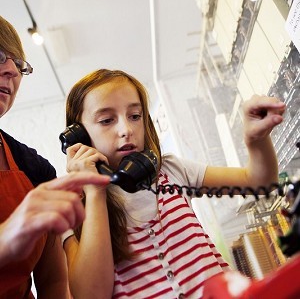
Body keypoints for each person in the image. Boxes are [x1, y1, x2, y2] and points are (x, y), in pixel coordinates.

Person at [63, 69, 286, 298]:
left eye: (135, 116)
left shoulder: (171, 171)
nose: (126, 130)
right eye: (107, 120)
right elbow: (91, 294)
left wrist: (256, 140)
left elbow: (259, 182)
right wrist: (95, 191)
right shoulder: (72, 210)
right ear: (78, 137)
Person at [0, 16, 110, 298]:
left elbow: (54, 284)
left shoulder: (35, 170)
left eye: (18, 64)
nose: (12, 70)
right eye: (0, 56)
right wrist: (8, 235)